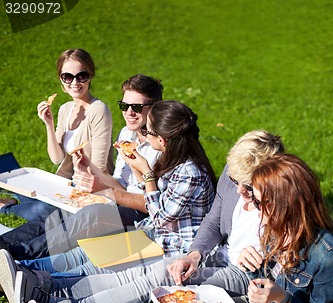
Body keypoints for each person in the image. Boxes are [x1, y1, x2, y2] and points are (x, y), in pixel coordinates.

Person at [3, 131, 284, 303]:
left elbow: (158, 214)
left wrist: (142, 176)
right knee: (96, 250)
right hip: (161, 236)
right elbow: (212, 220)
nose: (237, 190)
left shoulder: (190, 171)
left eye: (142, 114)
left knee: (126, 263)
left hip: (167, 240)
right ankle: (34, 275)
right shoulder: (228, 174)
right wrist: (196, 254)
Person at [18, 99, 217, 276]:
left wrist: (146, 171)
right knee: (85, 252)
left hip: (172, 249)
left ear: (161, 140)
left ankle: (30, 277)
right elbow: (154, 198)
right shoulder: (174, 157)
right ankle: (22, 267)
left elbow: (158, 216)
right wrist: (136, 167)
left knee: (93, 265)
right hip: (153, 234)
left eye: (148, 131)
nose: (144, 135)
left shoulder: (190, 173)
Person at [0, 74, 163, 259]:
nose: (129, 112)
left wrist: (106, 191)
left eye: (137, 107)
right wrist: (90, 167)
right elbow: (120, 183)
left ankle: (17, 256)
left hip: (142, 216)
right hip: (118, 199)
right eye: (124, 106)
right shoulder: (126, 134)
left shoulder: (160, 146)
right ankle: (4, 243)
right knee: (59, 209)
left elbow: (153, 205)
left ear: (155, 107)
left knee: (91, 215)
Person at [233, 153, 333, 303]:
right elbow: (268, 281)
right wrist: (251, 265)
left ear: (283, 204)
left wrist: (284, 300)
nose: (255, 208)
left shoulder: (326, 254)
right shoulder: (277, 229)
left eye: (259, 202)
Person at [0, 48, 113, 221]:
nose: (74, 82)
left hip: (90, 187)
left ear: (90, 76)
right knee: (37, 191)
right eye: (68, 77)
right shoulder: (65, 109)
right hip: (66, 181)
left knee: (40, 212)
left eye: (81, 76)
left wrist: (78, 175)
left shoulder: (98, 110)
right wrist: (49, 124)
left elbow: (99, 167)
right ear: (61, 80)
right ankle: (15, 199)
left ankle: (5, 207)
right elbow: (56, 158)